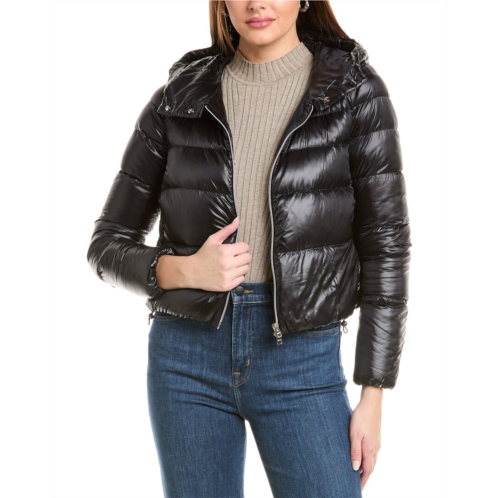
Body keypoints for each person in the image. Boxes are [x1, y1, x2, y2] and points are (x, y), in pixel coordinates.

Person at [87, 1, 411, 496]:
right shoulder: (179, 98)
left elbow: (386, 247)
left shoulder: (354, 92)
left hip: (301, 357)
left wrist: (374, 394)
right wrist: (184, 270)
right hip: (187, 357)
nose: (257, 3)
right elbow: (106, 245)